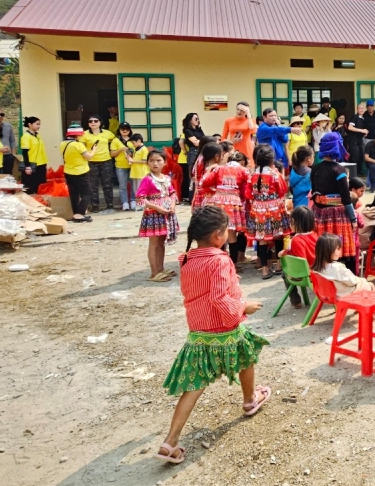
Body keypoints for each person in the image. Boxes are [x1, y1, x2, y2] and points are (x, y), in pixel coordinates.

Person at [155, 206, 269, 465]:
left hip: (199, 332)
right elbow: (219, 297)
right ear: (218, 235)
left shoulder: (187, 258)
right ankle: (250, 400)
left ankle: (170, 440)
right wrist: (243, 307)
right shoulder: (219, 260)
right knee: (247, 353)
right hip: (224, 328)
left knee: (195, 384)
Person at [310, 133, 359, 274]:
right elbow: (345, 197)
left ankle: (323, 277)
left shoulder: (315, 168)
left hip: (319, 213)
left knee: (325, 249)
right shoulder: (339, 169)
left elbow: (314, 192)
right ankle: (348, 279)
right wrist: (353, 219)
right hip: (338, 215)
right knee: (343, 249)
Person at [245, 144, 290, 280]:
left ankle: (264, 269)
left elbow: (248, 194)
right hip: (274, 207)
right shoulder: (274, 174)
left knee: (261, 239)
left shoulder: (252, 174)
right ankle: (278, 265)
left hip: (258, 208)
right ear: (271, 160)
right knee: (278, 235)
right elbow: (283, 190)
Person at [198, 143, 249, 262]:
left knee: (218, 231)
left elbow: (203, 183)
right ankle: (233, 264)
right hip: (234, 202)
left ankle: (217, 260)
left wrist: (209, 172)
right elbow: (249, 187)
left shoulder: (219, 169)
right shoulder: (243, 170)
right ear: (241, 162)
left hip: (218, 201)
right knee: (231, 234)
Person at [136, 149, 180, 282]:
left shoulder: (166, 178)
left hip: (166, 214)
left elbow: (172, 193)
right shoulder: (147, 180)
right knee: (154, 243)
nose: (155, 163)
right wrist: (157, 208)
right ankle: (154, 272)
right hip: (154, 215)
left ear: (165, 163)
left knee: (162, 242)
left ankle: (160, 269)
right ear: (147, 163)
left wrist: (172, 205)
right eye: (152, 161)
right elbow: (140, 199)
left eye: (158, 160)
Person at [278, 206, 319, 309]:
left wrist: (284, 253)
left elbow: (299, 260)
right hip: (318, 271)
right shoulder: (315, 235)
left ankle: (296, 301)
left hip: (305, 275)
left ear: (296, 223)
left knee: (284, 274)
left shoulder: (297, 240)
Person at [313, 232, 375, 297]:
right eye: (338, 249)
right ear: (329, 251)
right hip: (345, 294)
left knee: (363, 282)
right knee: (369, 284)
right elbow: (352, 281)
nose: (340, 251)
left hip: (328, 294)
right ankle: (372, 305)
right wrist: (361, 280)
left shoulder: (316, 269)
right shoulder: (337, 268)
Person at [82, 114, 117, 212]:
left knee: (107, 184)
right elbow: (80, 147)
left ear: (100, 123)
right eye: (90, 121)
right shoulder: (84, 134)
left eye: (95, 121)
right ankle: (95, 206)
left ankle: (110, 204)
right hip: (91, 162)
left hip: (106, 161)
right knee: (93, 185)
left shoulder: (108, 133)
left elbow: (116, 142)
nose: (93, 123)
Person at [59, 125, 94, 222]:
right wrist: (94, 150)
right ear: (77, 135)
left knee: (74, 194)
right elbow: (89, 157)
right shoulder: (78, 145)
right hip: (80, 172)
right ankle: (80, 214)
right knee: (87, 193)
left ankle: (75, 214)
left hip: (68, 172)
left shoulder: (62, 144)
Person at [222, 102, 257, 167]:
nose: (239, 111)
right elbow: (223, 138)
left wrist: (248, 114)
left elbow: (253, 130)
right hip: (233, 148)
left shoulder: (250, 120)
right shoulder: (228, 121)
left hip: (247, 148)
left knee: (248, 168)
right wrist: (231, 142)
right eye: (237, 109)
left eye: (242, 110)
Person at [19, 116, 47, 194]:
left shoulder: (37, 136)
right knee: (30, 186)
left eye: (39, 124)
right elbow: (25, 152)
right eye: (37, 124)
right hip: (31, 164)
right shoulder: (26, 137)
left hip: (40, 163)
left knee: (41, 185)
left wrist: (44, 164)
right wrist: (27, 166)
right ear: (29, 124)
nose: (39, 126)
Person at [110, 123, 135, 209]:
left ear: (130, 130)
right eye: (122, 129)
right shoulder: (115, 140)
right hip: (120, 166)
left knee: (133, 184)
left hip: (133, 165)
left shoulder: (133, 140)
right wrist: (120, 149)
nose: (125, 130)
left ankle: (133, 201)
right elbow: (112, 154)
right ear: (119, 130)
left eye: (127, 129)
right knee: (122, 185)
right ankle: (124, 202)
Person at [127, 133, 150, 212]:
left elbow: (144, 161)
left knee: (141, 190)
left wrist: (133, 160)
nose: (133, 145)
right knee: (136, 190)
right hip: (135, 172)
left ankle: (143, 204)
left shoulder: (144, 149)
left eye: (133, 143)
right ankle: (139, 204)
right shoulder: (136, 149)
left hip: (141, 173)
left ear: (139, 141)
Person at [181, 112, 208, 178]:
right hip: (194, 152)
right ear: (190, 120)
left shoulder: (199, 130)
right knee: (193, 173)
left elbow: (203, 140)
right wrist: (204, 141)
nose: (198, 120)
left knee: (201, 171)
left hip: (202, 151)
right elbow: (195, 142)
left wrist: (203, 141)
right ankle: (191, 188)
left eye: (198, 119)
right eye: (196, 119)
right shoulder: (188, 131)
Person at [288, 145, 314, 210]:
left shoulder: (293, 171)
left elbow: (291, 189)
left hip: (296, 206)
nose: (314, 158)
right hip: (307, 207)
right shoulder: (310, 173)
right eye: (313, 156)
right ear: (309, 158)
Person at [346, 102, 368, 174]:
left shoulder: (363, 118)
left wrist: (364, 133)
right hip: (353, 140)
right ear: (357, 109)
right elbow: (350, 127)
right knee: (355, 156)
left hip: (360, 140)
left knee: (361, 156)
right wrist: (362, 130)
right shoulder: (355, 117)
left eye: (362, 108)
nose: (361, 110)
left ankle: (359, 172)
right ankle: (353, 173)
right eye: (360, 108)